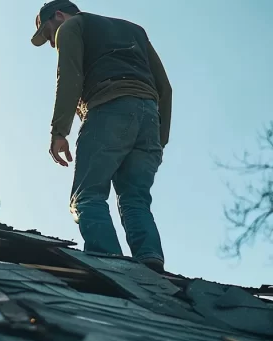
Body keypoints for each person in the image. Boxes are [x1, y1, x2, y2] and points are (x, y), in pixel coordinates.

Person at [31, 0, 172, 272]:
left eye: (49, 33)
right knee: (135, 198)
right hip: (148, 117)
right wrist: (159, 139)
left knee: (86, 196)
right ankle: (150, 257)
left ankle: (109, 261)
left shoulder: (71, 26)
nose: (51, 42)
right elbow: (164, 88)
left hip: (109, 108)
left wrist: (59, 131)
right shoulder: (135, 30)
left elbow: (69, 76)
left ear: (58, 15)